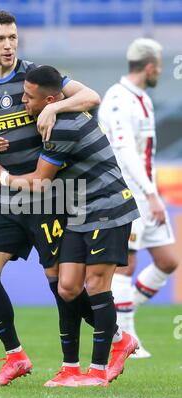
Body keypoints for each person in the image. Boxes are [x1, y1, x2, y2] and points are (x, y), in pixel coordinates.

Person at [0, 10, 101, 386]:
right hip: (8, 197)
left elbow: (91, 96)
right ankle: (15, 356)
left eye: (13, 37)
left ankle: (115, 336)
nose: (8, 45)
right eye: (1, 39)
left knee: (63, 288)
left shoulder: (36, 75)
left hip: (47, 194)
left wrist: (55, 106)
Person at [0, 65, 140, 387]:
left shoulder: (63, 127)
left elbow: (41, 182)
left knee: (98, 285)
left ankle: (97, 372)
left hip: (107, 208)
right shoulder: (56, 112)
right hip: (79, 213)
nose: (22, 102)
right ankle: (75, 366)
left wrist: (2, 178)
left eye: (29, 97)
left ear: (50, 99)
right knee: (68, 287)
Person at [99, 38, 179, 358]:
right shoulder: (118, 100)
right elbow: (125, 153)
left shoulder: (141, 97)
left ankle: (122, 311)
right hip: (128, 193)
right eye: (159, 64)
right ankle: (128, 340)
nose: (161, 70)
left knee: (168, 261)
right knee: (125, 265)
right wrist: (149, 193)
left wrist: (153, 193)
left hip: (148, 194)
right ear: (149, 66)